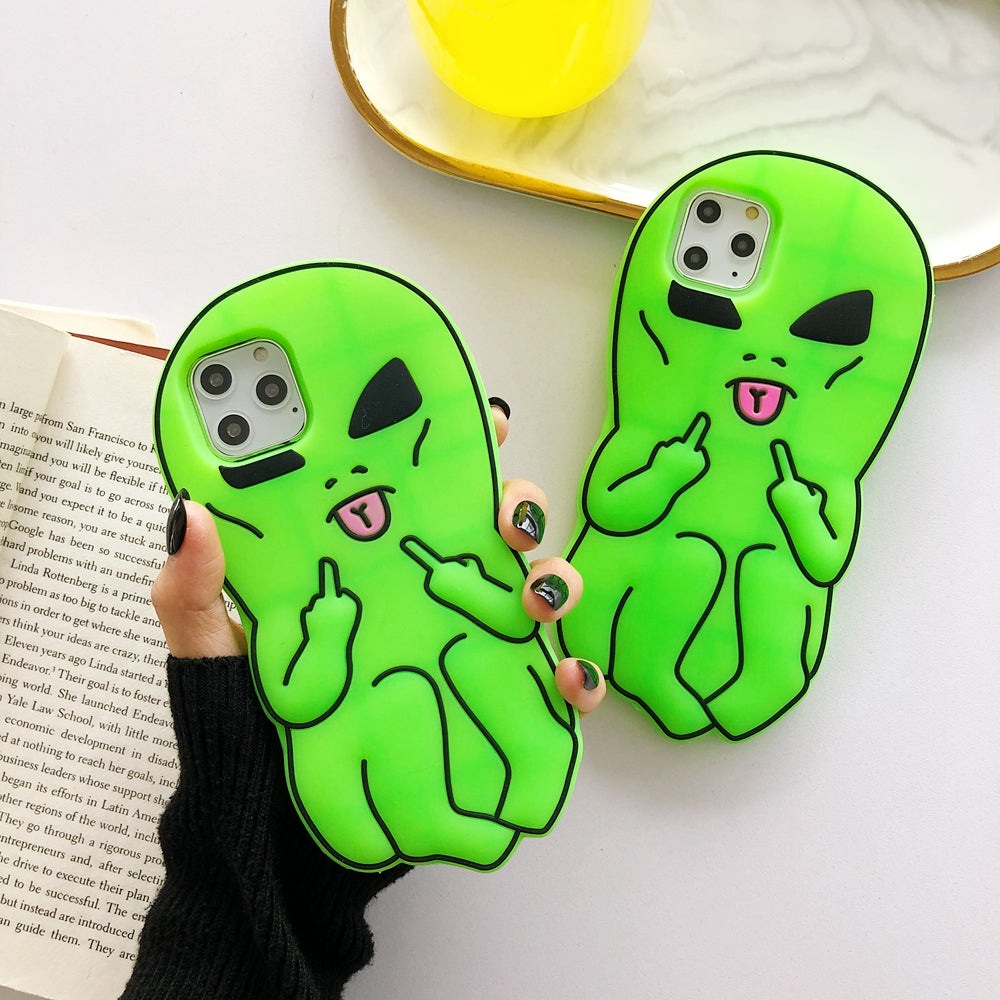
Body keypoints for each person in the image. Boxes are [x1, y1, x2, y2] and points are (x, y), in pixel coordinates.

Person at [120, 401, 605, 1000]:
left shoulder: (440, 546)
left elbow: (511, 621)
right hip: (369, 794)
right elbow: (299, 701)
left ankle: (521, 780)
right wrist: (328, 635)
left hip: (487, 755)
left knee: (464, 664)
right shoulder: (302, 609)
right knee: (403, 691)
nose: (341, 476)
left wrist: (466, 586)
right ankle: (453, 820)